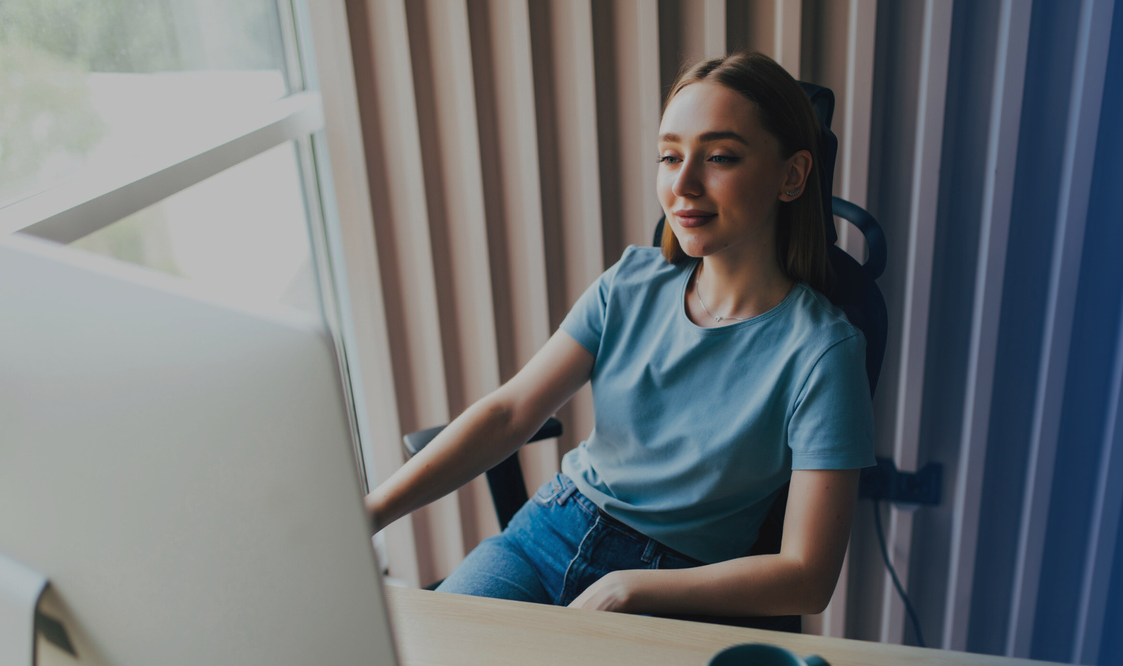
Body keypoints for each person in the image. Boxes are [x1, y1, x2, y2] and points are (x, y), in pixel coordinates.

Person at [365, 51, 874, 626]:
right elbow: (509, 414)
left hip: (675, 588)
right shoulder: (631, 282)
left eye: (721, 157)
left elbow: (806, 579)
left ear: (792, 176)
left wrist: (631, 588)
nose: (683, 184)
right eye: (669, 156)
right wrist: (370, 511)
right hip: (546, 536)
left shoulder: (823, 353)